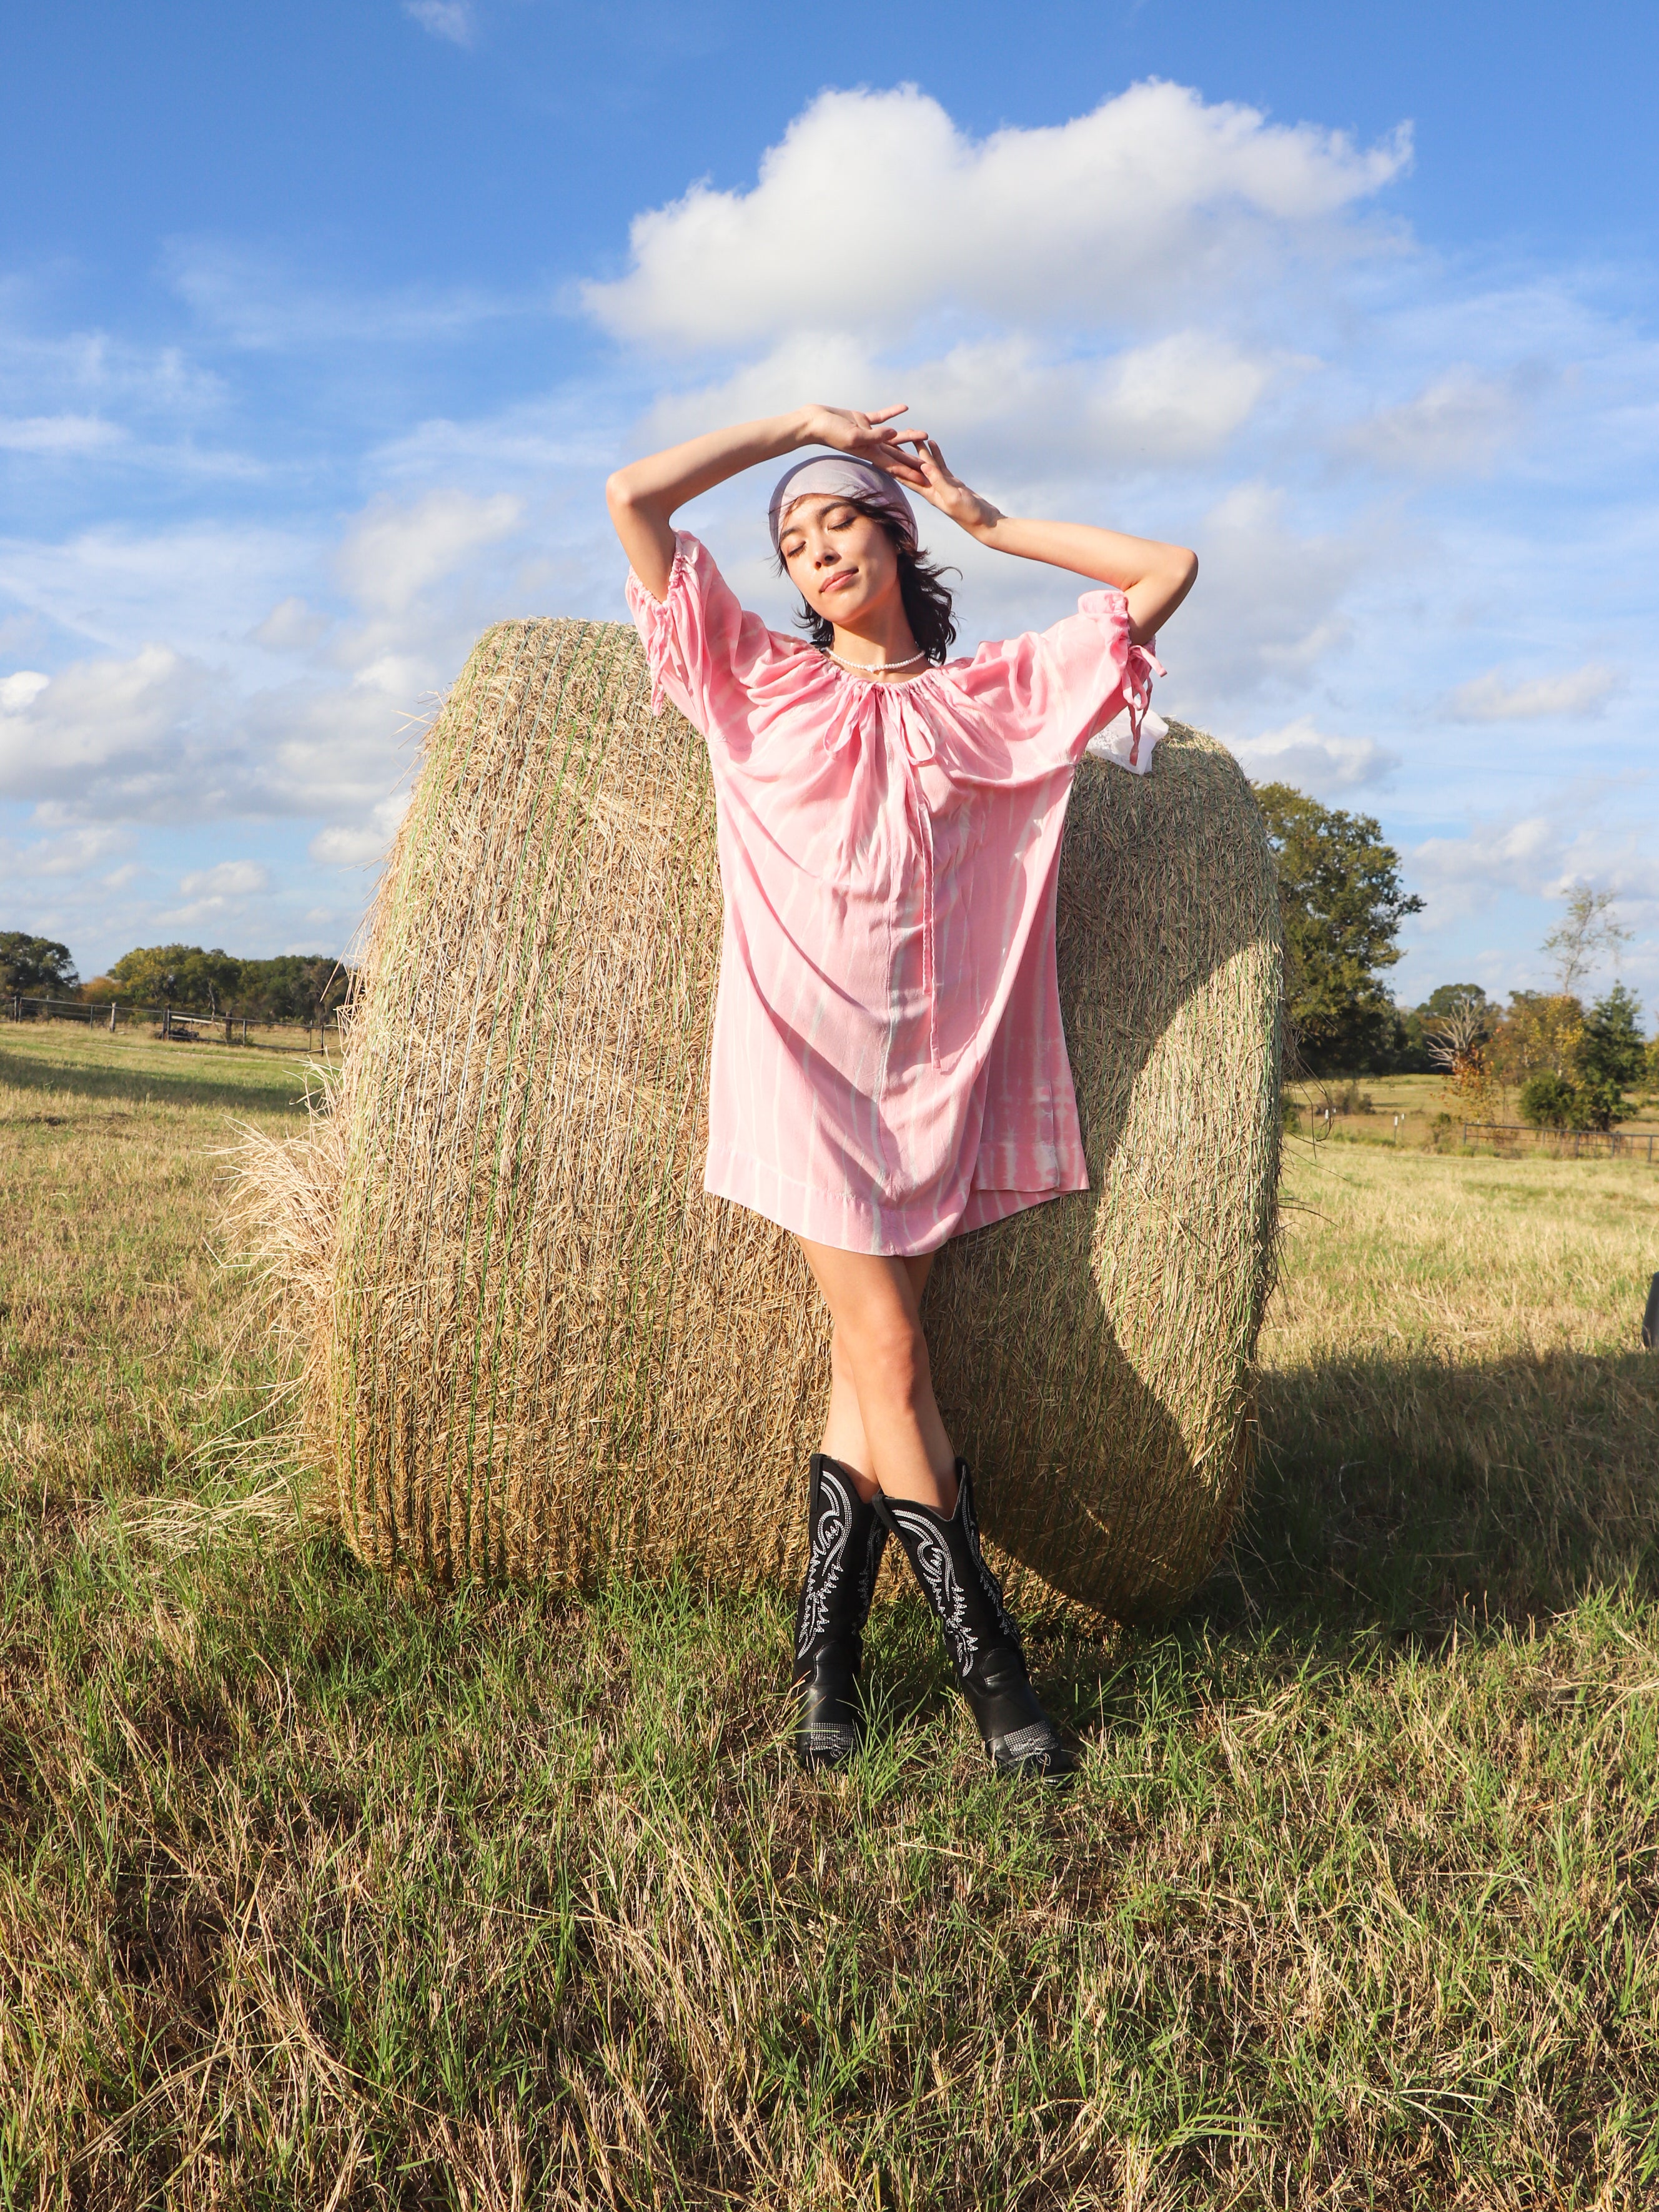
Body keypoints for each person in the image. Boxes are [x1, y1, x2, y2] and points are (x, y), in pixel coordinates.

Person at [606, 402, 1197, 1782]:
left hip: (942, 1065)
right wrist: (791, 432)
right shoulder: (751, 679)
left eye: (838, 519)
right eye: (790, 540)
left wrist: (985, 516)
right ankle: (994, 1674)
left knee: (867, 1375)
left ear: (893, 533)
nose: (813, 549)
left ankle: (827, 1665)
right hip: (799, 1059)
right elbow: (635, 496)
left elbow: (1159, 568)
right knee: (888, 1358)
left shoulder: (989, 693)